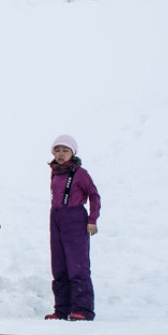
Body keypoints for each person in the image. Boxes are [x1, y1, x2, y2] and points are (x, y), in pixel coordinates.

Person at [46, 135, 101, 321]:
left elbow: (94, 195)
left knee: (77, 265)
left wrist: (92, 219)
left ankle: (83, 309)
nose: (61, 154)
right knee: (59, 265)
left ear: (72, 153)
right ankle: (62, 309)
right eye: (58, 150)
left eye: (65, 150)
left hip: (75, 217)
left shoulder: (80, 173)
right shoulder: (55, 171)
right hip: (56, 217)